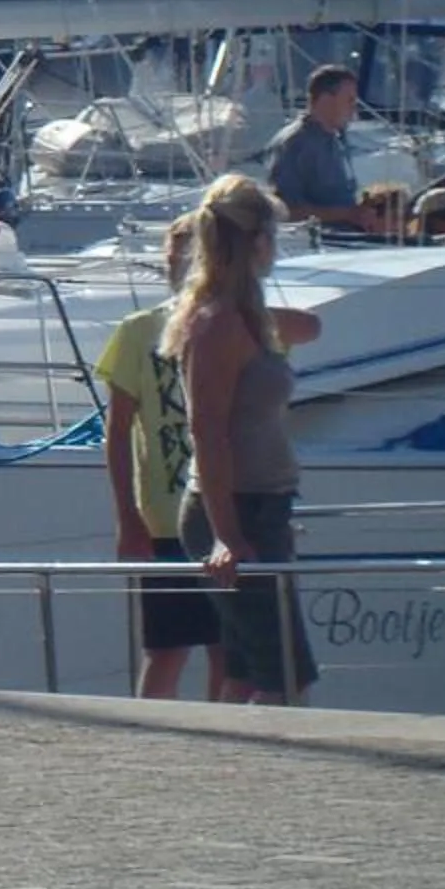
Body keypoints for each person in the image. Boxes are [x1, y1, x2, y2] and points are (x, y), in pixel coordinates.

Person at [167, 174, 321, 704]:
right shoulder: (216, 326)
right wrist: (227, 534)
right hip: (237, 511)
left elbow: (311, 327)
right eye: (273, 236)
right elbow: (207, 432)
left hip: (265, 504)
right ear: (256, 242)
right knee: (286, 674)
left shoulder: (244, 318)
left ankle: (222, 777)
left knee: (244, 671)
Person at [93, 219, 222, 701]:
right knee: (166, 647)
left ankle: (224, 747)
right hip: (165, 520)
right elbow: (118, 429)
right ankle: (149, 741)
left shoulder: (229, 326)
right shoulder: (138, 331)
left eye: (189, 258)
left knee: (226, 648)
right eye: (172, 258)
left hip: (223, 514)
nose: (177, 267)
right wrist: (127, 516)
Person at [266, 64, 390, 235]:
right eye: (349, 100)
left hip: (349, 239)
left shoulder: (337, 138)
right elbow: (286, 210)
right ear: (325, 99)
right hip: (319, 246)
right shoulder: (294, 143)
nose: (354, 108)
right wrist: (347, 214)